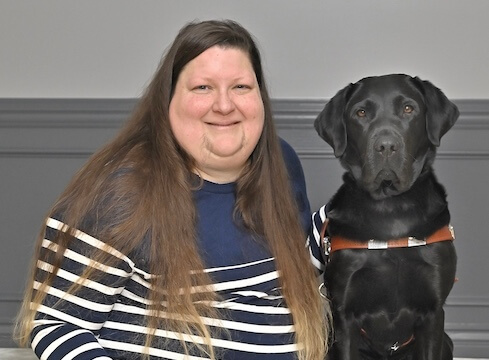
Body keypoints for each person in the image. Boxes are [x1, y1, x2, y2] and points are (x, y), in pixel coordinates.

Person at [15, 19, 330, 360]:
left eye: (241, 87)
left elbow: (291, 265)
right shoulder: (120, 192)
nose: (224, 105)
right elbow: (56, 324)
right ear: (168, 102)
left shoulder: (281, 164)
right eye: (202, 88)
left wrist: (352, 214)